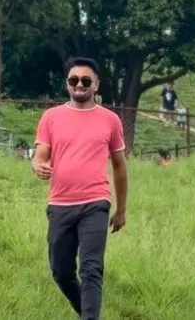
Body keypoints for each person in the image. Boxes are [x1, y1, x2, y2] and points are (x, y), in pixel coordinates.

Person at [32, 56, 129, 320]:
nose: (79, 85)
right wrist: (38, 165)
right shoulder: (51, 117)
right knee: (61, 272)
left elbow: (120, 166)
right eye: (74, 80)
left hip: (95, 203)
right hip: (60, 205)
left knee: (91, 268)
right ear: (67, 84)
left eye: (86, 81)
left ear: (96, 85)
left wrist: (121, 210)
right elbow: (40, 155)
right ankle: (86, 312)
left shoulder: (110, 120)